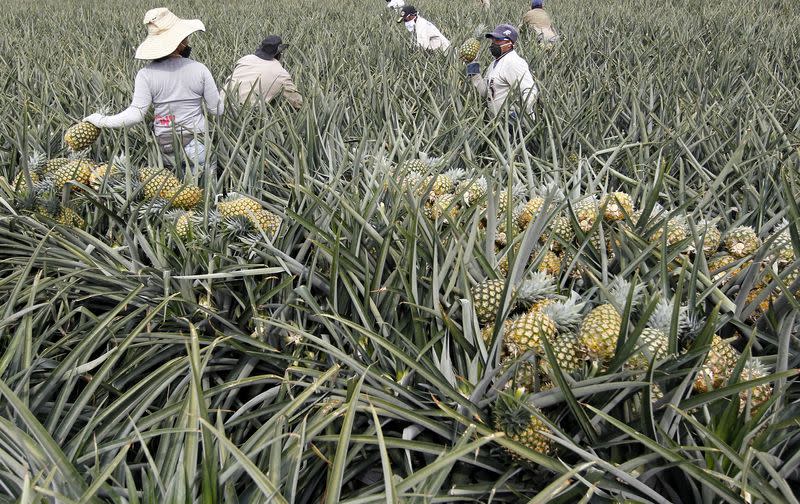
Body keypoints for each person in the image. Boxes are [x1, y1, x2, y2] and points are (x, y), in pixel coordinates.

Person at [83, 8, 223, 170]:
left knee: (172, 193)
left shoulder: (145, 75)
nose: (188, 40)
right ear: (179, 43)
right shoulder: (200, 69)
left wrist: (100, 120)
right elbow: (217, 110)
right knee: (204, 193)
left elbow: (135, 115)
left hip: (165, 149)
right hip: (197, 146)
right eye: (185, 37)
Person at [465, 24, 538, 120]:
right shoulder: (494, 64)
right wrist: (474, 71)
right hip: (499, 124)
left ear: (510, 44)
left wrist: (517, 115)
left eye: (498, 40)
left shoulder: (514, 62)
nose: (494, 43)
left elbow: (531, 91)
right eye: (493, 40)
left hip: (516, 125)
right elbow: (486, 92)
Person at [224, 36, 303, 109]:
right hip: (242, 111)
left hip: (219, 104)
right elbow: (297, 102)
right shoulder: (281, 74)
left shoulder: (245, 59)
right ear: (279, 54)